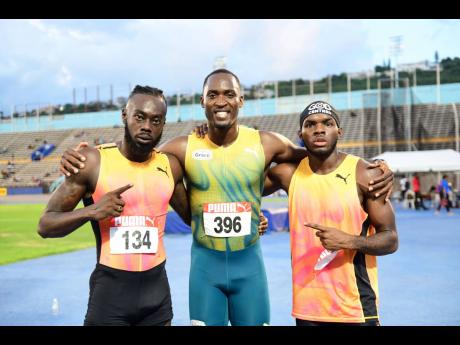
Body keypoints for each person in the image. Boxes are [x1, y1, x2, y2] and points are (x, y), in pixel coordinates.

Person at [59, 69, 393, 326]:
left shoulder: (266, 143)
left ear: (241, 100)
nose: (221, 101)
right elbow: (136, 159)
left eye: (229, 94)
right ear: (202, 102)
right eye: (213, 95)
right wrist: (78, 159)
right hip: (206, 269)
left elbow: (319, 154)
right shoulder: (182, 148)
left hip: (250, 267)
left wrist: (374, 168)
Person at [38, 86, 191, 326]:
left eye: (156, 120)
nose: (147, 126)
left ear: (163, 124)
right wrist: (91, 211)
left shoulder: (170, 166)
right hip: (110, 295)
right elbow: (45, 225)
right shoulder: (93, 162)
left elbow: (195, 218)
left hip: (157, 295)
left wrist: (253, 217)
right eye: (139, 117)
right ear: (124, 115)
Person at [263, 100, 398, 326]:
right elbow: (244, 184)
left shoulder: (365, 174)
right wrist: (214, 136)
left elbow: (391, 239)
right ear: (301, 133)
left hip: (355, 307)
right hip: (308, 308)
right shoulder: (288, 174)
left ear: (339, 131)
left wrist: (348, 241)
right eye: (310, 124)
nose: (319, 129)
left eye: (327, 123)